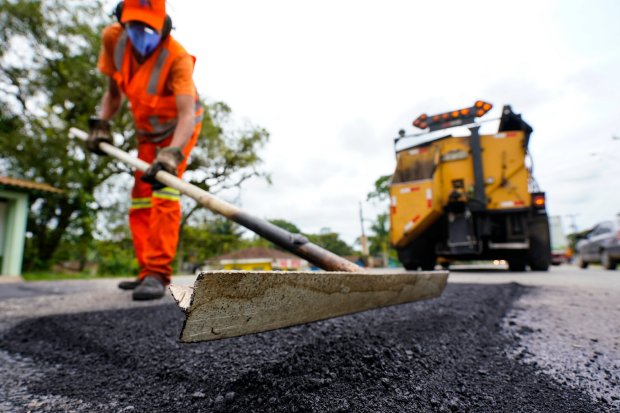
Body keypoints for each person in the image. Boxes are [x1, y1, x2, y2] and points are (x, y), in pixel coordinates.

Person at [86, 0, 203, 300]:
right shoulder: (113, 39)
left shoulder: (176, 57)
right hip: (146, 133)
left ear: (163, 25)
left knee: (163, 190)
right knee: (140, 197)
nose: (141, 33)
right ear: (122, 19)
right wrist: (102, 123)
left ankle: (158, 272)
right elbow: (114, 92)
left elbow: (187, 114)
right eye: (135, 25)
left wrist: (172, 154)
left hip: (178, 131)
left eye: (149, 27)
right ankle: (144, 272)